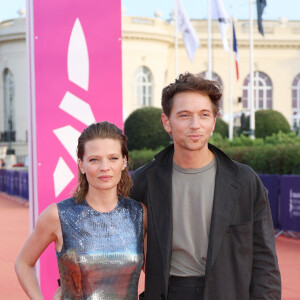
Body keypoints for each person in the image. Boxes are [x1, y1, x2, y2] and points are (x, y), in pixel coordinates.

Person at [131, 73, 281, 300]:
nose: (195, 125)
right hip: (169, 292)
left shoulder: (244, 181)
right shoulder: (143, 182)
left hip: (228, 292)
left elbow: (264, 261)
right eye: (184, 115)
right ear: (166, 122)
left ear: (213, 121)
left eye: (204, 115)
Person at [15, 121, 147, 299]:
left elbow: (155, 272)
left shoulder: (139, 214)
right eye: (94, 159)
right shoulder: (58, 215)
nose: (104, 167)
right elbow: (23, 263)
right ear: (81, 165)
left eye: (113, 158)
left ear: (124, 162)